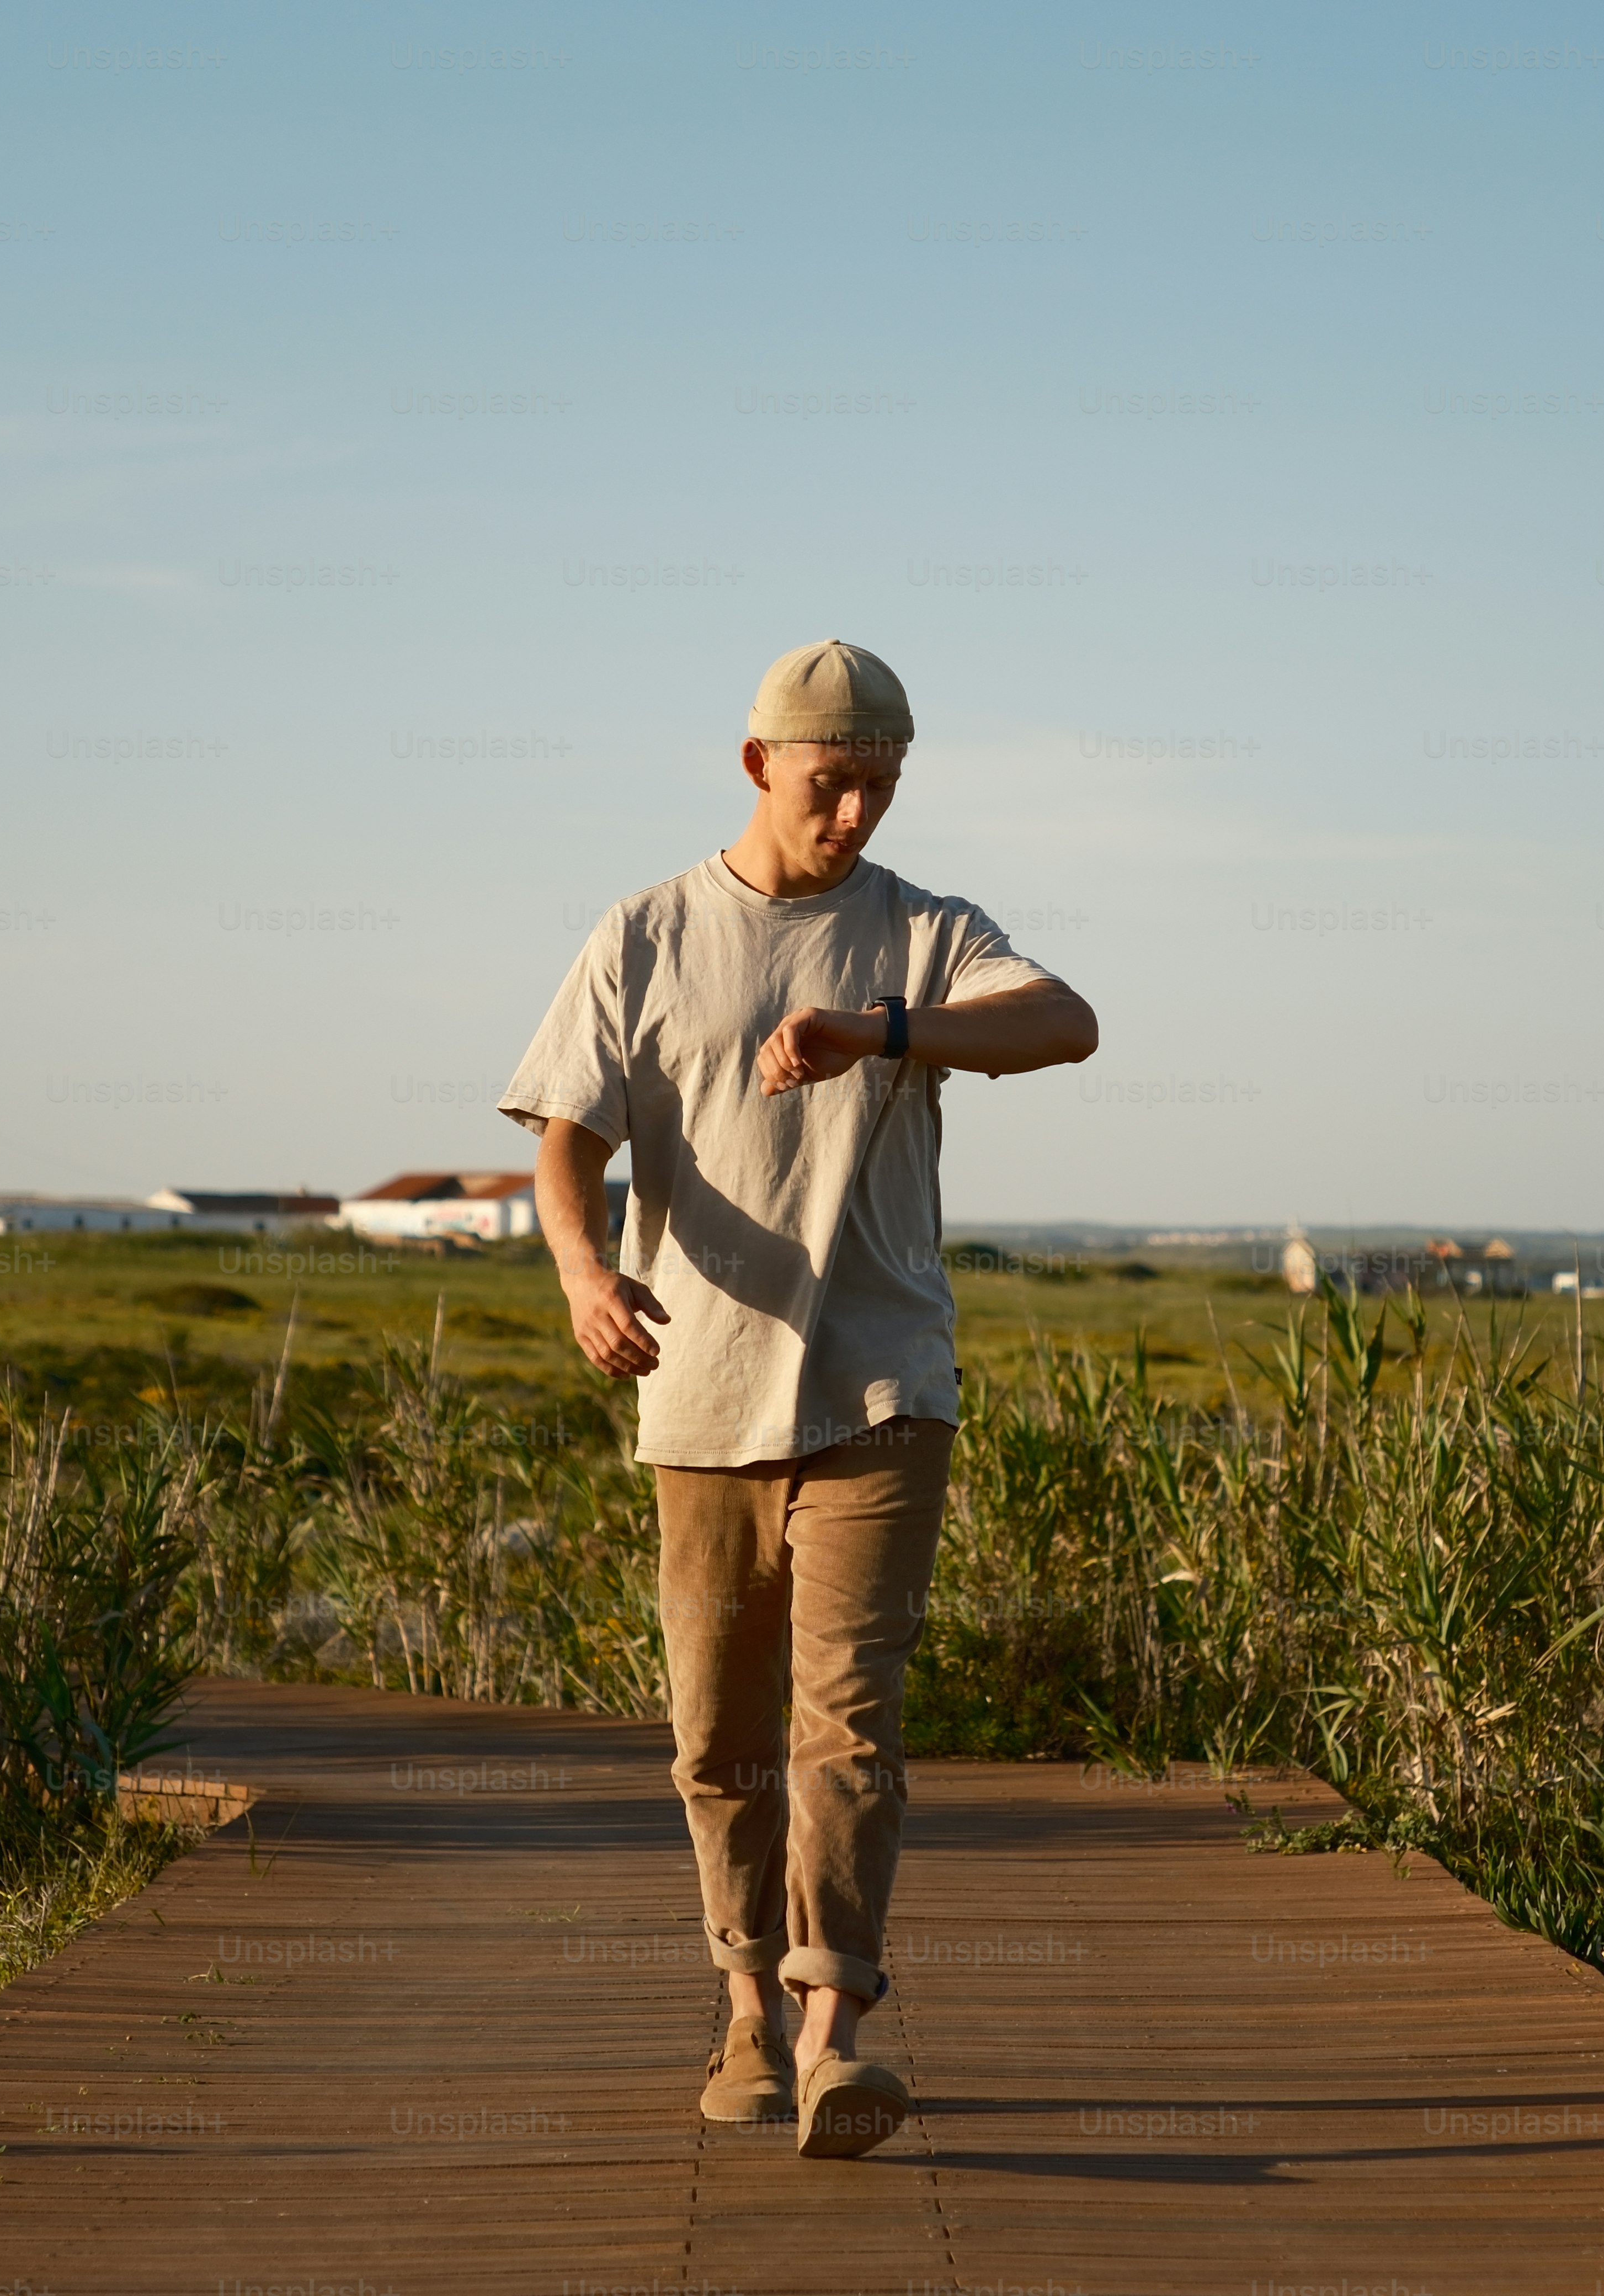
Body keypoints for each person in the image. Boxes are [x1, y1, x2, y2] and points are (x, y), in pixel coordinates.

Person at [498, 639, 1100, 2159]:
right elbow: (565, 1130)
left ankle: (836, 2036)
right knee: (718, 1737)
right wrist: (581, 1272)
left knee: (850, 1722)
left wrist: (885, 1027)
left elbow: (1065, 1023)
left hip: (885, 1387)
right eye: (834, 783)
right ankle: (745, 2012)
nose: (857, 817)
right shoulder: (646, 933)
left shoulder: (925, 931)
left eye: (883, 787)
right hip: (697, 1393)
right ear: (759, 762)